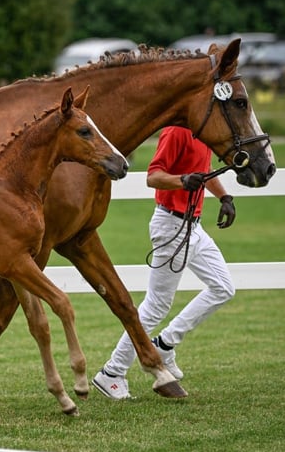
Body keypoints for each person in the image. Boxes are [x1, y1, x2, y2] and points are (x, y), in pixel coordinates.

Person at [92, 125, 237, 400]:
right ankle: (112, 372)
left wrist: (225, 197)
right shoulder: (176, 132)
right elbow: (153, 176)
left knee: (223, 287)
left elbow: (203, 172)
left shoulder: (202, 132)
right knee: (156, 304)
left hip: (194, 228)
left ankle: (166, 343)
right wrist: (183, 181)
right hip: (171, 226)